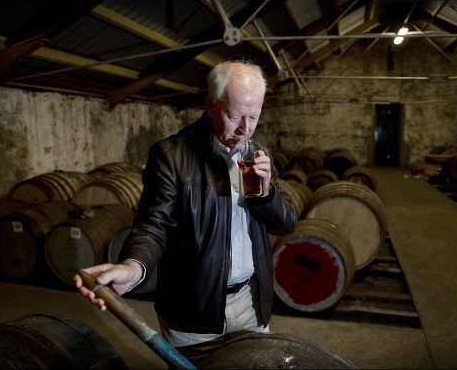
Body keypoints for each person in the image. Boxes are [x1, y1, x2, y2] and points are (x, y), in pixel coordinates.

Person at [74, 60, 297, 364]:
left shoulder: (256, 153)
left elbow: (285, 223)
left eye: (254, 117)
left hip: (250, 303)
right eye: (235, 116)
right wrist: (133, 267)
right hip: (194, 314)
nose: (245, 129)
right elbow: (154, 224)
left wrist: (268, 192)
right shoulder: (171, 157)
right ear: (210, 105)